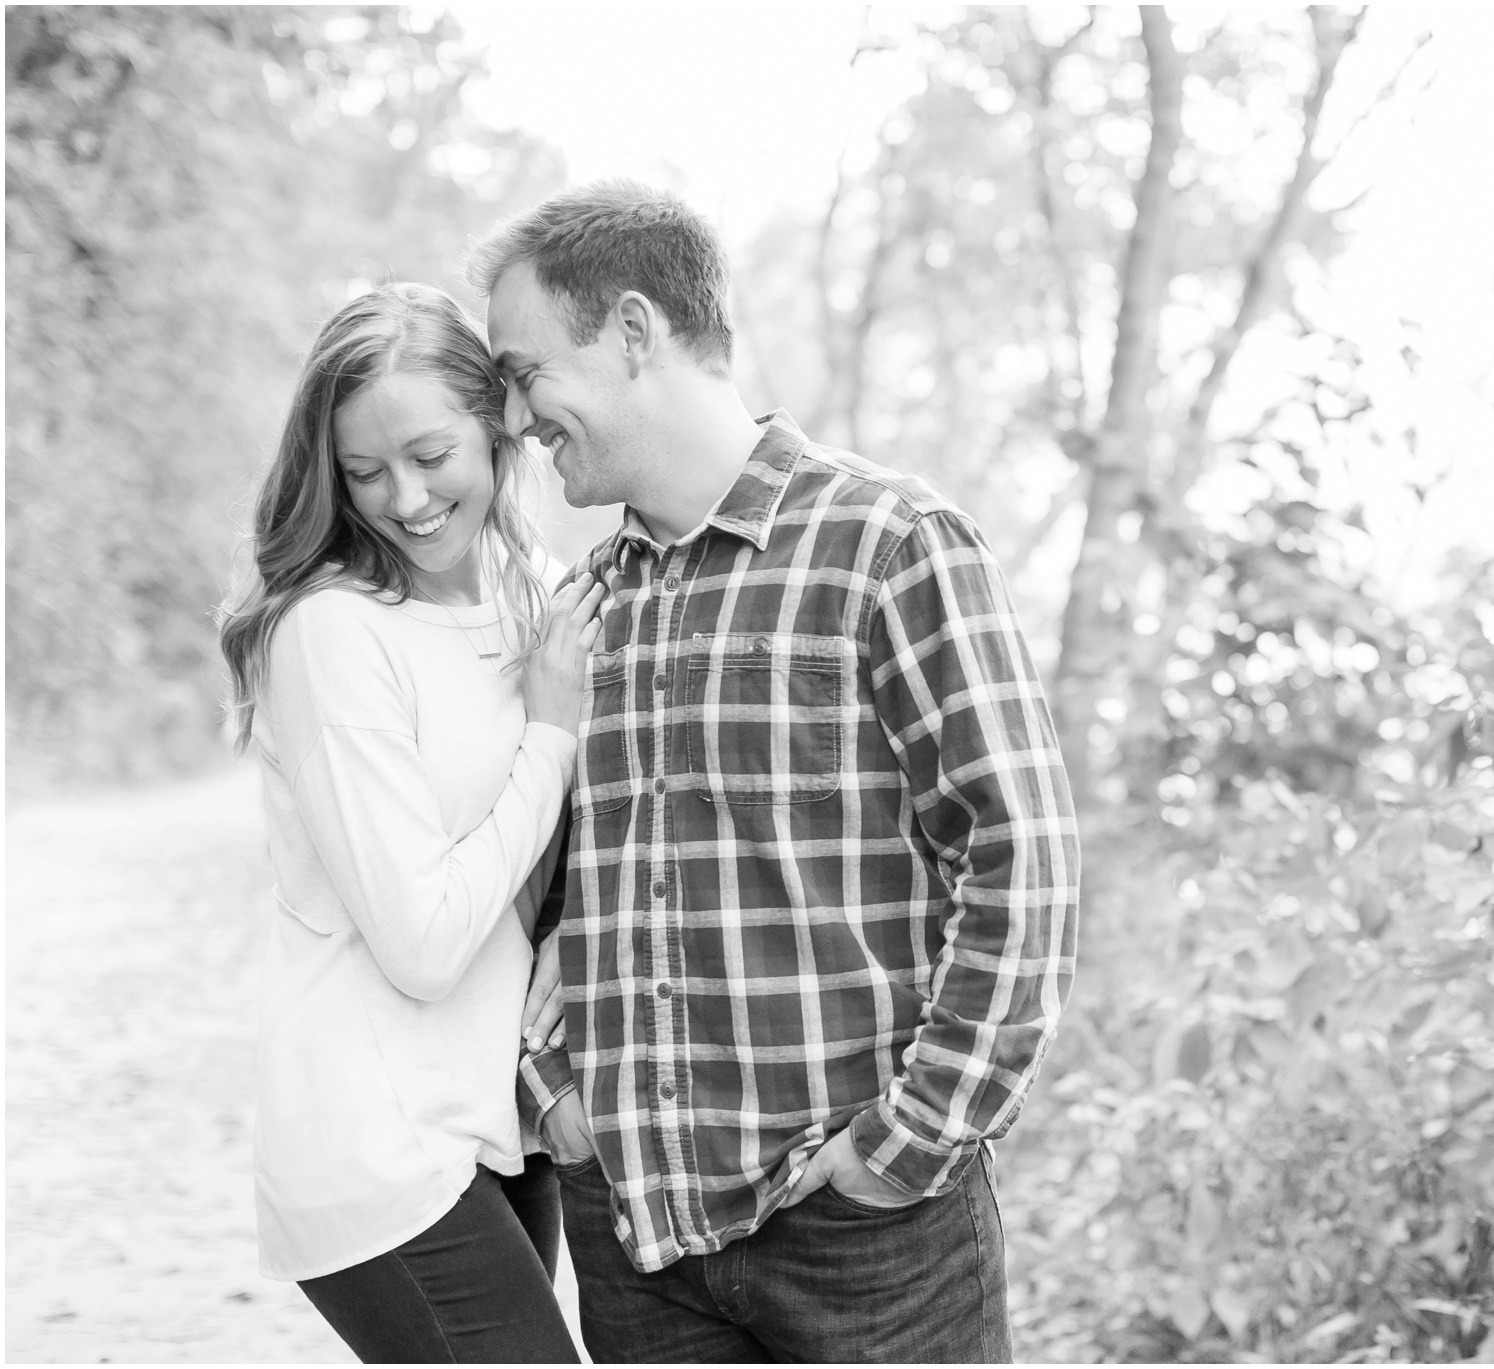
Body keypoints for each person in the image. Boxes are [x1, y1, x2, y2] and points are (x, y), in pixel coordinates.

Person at [472, 182, 1082, 1363]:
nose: (511, 415)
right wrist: (559, 1096)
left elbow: (1021, 862)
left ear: (634, 332)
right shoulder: (581, 607)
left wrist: (905, 1147)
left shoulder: (886, 543)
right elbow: (533, 888)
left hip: (866, 1244)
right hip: (639, 1241)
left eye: (523, 369)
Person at [217, 283, 604, 1363]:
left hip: (496, 1116)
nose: (407, 497)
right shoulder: (333, 633)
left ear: (496, 428)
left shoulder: (538, 594)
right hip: (375, 1140)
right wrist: (549, 735)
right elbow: (425, 940)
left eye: (432, 454)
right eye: (364, 470)